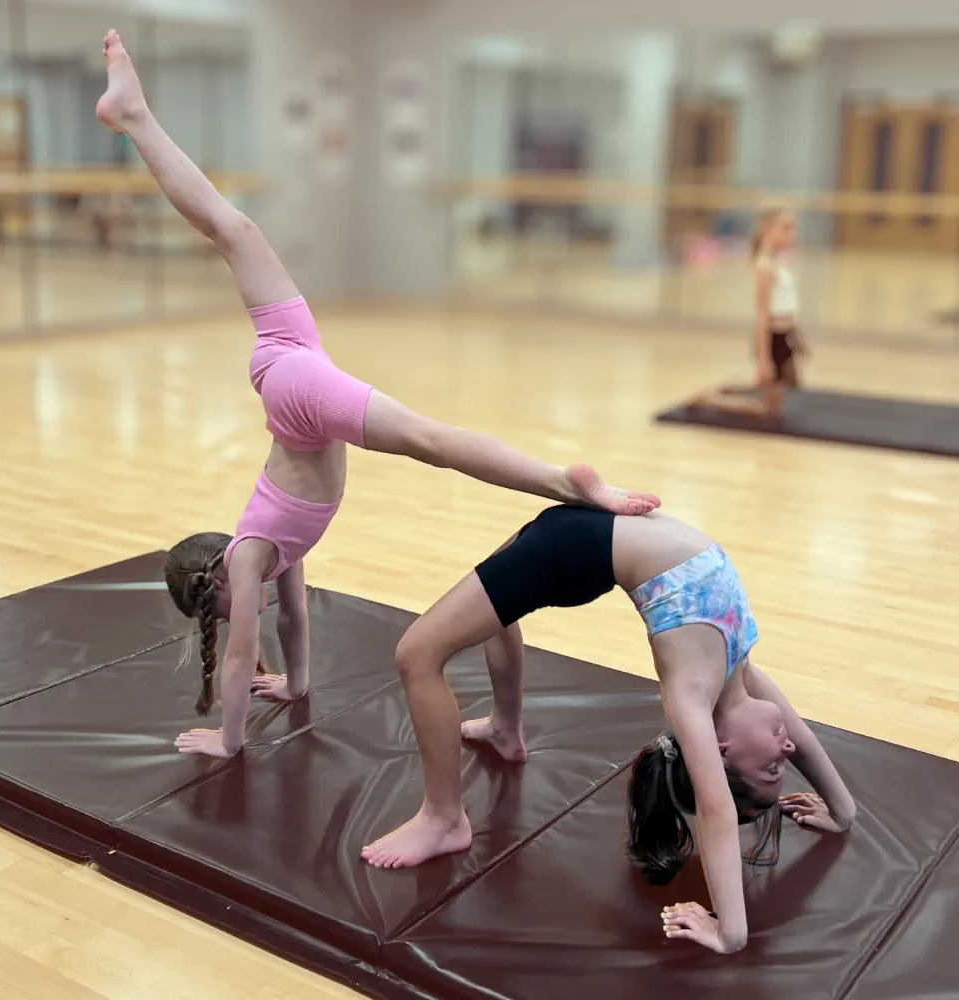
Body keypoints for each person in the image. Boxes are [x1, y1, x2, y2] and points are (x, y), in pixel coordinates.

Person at [94, 31, 661, 759]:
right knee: (233, 229)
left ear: (214, 582)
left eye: (229, 609)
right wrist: (297, 686)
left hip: (296, 393)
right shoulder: (271, 556)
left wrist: (226, 739)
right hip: (292, 363)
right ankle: (135, 115)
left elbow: (240, 658)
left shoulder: (245, 556)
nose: (248, 612)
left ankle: (560, 479)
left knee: (429, 439)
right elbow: (295, 621)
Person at [361, 504, 855, 955]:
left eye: (772, 763)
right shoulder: (739, 676)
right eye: (783, 758)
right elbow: (802, 737)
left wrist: (730, 932)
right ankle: (505, 729)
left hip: (573, 550)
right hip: (585, 530)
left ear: (720, 750)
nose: (786, 746)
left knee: (418, 653)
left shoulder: (691, 695)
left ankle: (444, 817)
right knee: (493, 607)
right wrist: (842, 810)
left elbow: (717, 809)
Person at [694, 205, 808, 420]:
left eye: (792, 229)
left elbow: (785, 303)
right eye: (785, 229)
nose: (791, 235)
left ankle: (728, 388)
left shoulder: (778, 261)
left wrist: (796, 335)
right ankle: (710, 399)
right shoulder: (764, 266)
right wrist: (764, 359)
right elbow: (762, 314)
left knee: (791, 388)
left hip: (786, 336)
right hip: (773, 339)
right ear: (766, 231)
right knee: (769, 412)